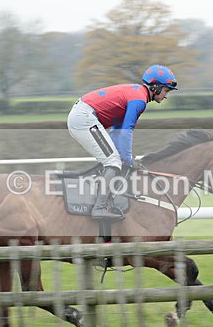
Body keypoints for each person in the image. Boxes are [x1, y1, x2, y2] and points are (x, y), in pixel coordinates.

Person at [67, 64, 178, 219]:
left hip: (82, 116)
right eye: (166, 90)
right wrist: (128, 159)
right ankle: (99, 208)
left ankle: (101, 196)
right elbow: (127, 130)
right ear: (155, 87)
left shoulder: (136, 94)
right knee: (113, 161)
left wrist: (124, 157)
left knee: (114, 159)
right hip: (84, 118)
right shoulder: (139, 100)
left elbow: (117, 130)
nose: (166, 95)